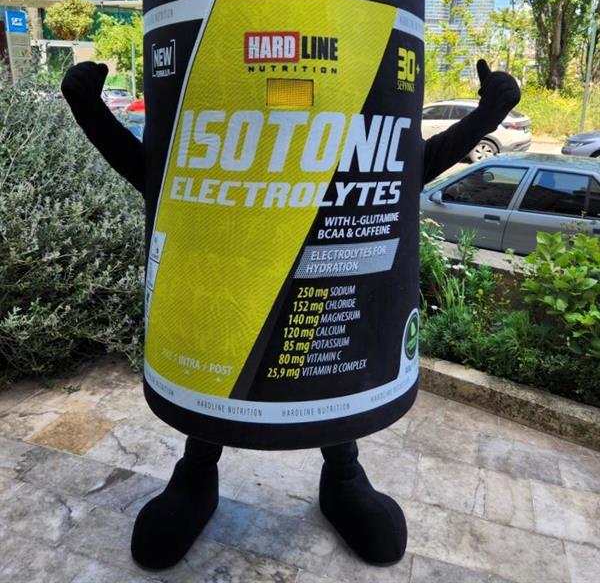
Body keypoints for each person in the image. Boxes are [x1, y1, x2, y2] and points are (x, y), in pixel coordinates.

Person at [62, 57, 520, 568]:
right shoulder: (218, 137)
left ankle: (343, 472)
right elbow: (154, 176)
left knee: (325, 378)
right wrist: (90, 109)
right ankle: (196, 471)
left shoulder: (346, 133)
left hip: (322, 283)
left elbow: (404, 168)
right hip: (229, 286)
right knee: (219, 374)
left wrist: (487, 115)